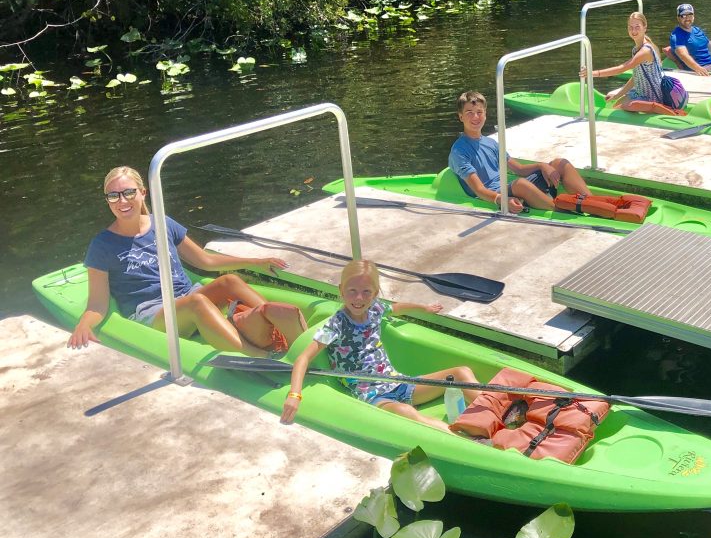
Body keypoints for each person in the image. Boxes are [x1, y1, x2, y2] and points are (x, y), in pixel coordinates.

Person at [68, 166, 308, 353]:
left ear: (142, 193)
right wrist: (84, 325)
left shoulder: (163, 223)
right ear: (107, 200)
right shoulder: (102, 245)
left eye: (129, 192)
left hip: (186, 295)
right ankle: (258, 355)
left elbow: (204, 260)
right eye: (113, 195)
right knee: (197, 302)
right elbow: (97, 304)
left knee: (230, 282)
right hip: (153, 312)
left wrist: (253, 262)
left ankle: (281, 333)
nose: (122, 201)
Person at [281, 259, 478, 432]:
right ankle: (466, 441)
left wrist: (423, 308)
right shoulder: (336, 325)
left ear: (375, 293)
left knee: (461, 372)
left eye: (366, 292)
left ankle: (494, 413)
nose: (359, 298)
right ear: (341, 290)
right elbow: (303, 358)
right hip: (372, 396)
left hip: (400, 384)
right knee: (405, 412)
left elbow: (396, 308)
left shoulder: (375, 308)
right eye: (352, 291)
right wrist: (294, 395)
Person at [450, 90, 592, 213]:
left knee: (559, 163)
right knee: (520, 184)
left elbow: (519, 169)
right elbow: (479, 190)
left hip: (510, 187)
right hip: (494, 193)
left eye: (479, 112)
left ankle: (594, 203)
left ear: (485, 114)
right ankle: (566, 212)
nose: (475, 117)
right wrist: (502, 200)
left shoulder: (491, 143)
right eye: (469, 113)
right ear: (461, 116)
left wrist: (542, 166)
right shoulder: (459, 151)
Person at [582, 11, 688, 115]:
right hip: (640, 93)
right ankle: (643, 105)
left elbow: (622, 68)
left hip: (653, 95)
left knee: (627, 106)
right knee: (615, 108)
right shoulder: (635, 49)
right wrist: (617, 95)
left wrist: (592, 73)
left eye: (637, 27)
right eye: (630, 27)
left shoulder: (645, 50)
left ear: (645, 27)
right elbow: (635, 78)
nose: (633, 31)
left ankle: (666, 110)